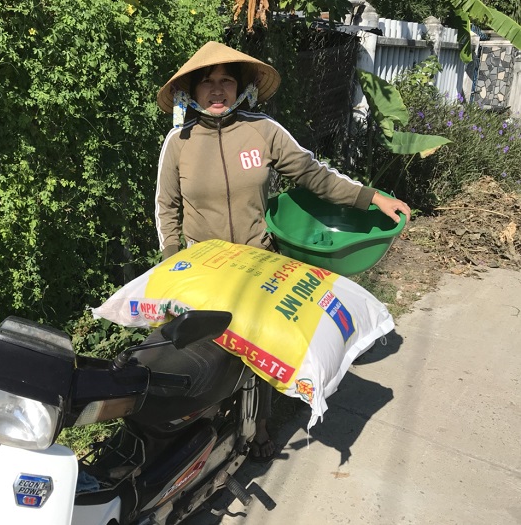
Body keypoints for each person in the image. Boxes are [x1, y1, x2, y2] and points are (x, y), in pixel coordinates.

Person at [154, 41, 410, 462]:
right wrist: (170, 260)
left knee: (261, 348)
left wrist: (372, 197)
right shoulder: (178, 142)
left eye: (226, 81)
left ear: (240, 88)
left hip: (260, 261)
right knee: (206, 349)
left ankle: (259, 424)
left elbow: (314, 174)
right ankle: (204, 428)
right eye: (208, 82)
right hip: (205, 266)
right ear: (192, 91)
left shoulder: (263, 131)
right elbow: (167, 207)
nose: (217, 90)